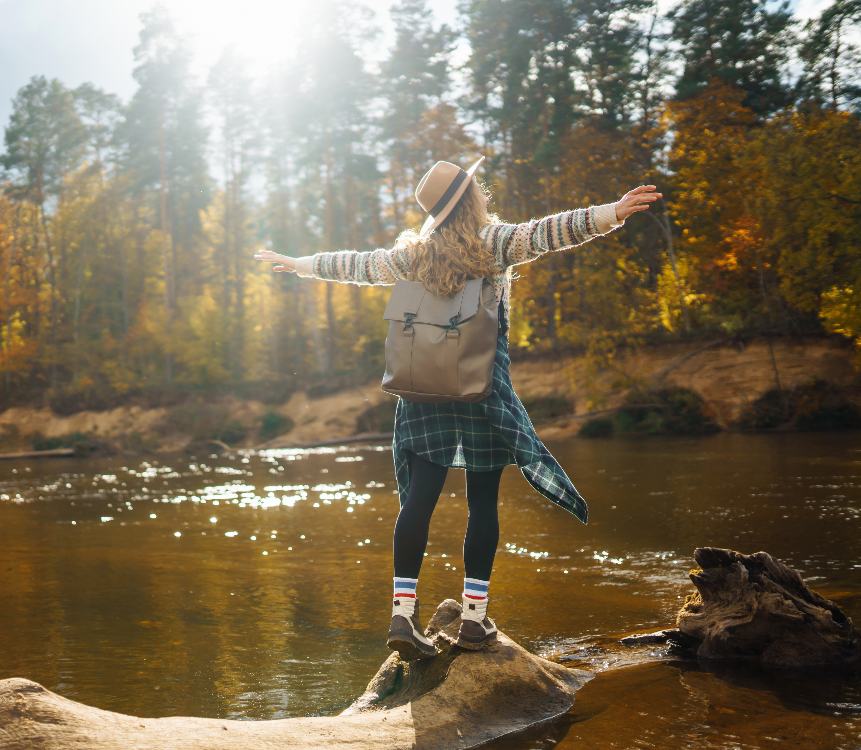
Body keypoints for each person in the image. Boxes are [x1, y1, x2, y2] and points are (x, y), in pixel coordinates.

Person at [254, 157, 661, 660]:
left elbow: (355, 265)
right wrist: (613, 213)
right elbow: (551, 233)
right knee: (482, 500)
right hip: (480, 384)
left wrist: (299, 264)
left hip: (422, 389)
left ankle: (403, 615)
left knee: (418, 500)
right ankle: (473, 620)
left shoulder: (412, 254)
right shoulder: (494, 243)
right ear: (472, 199)